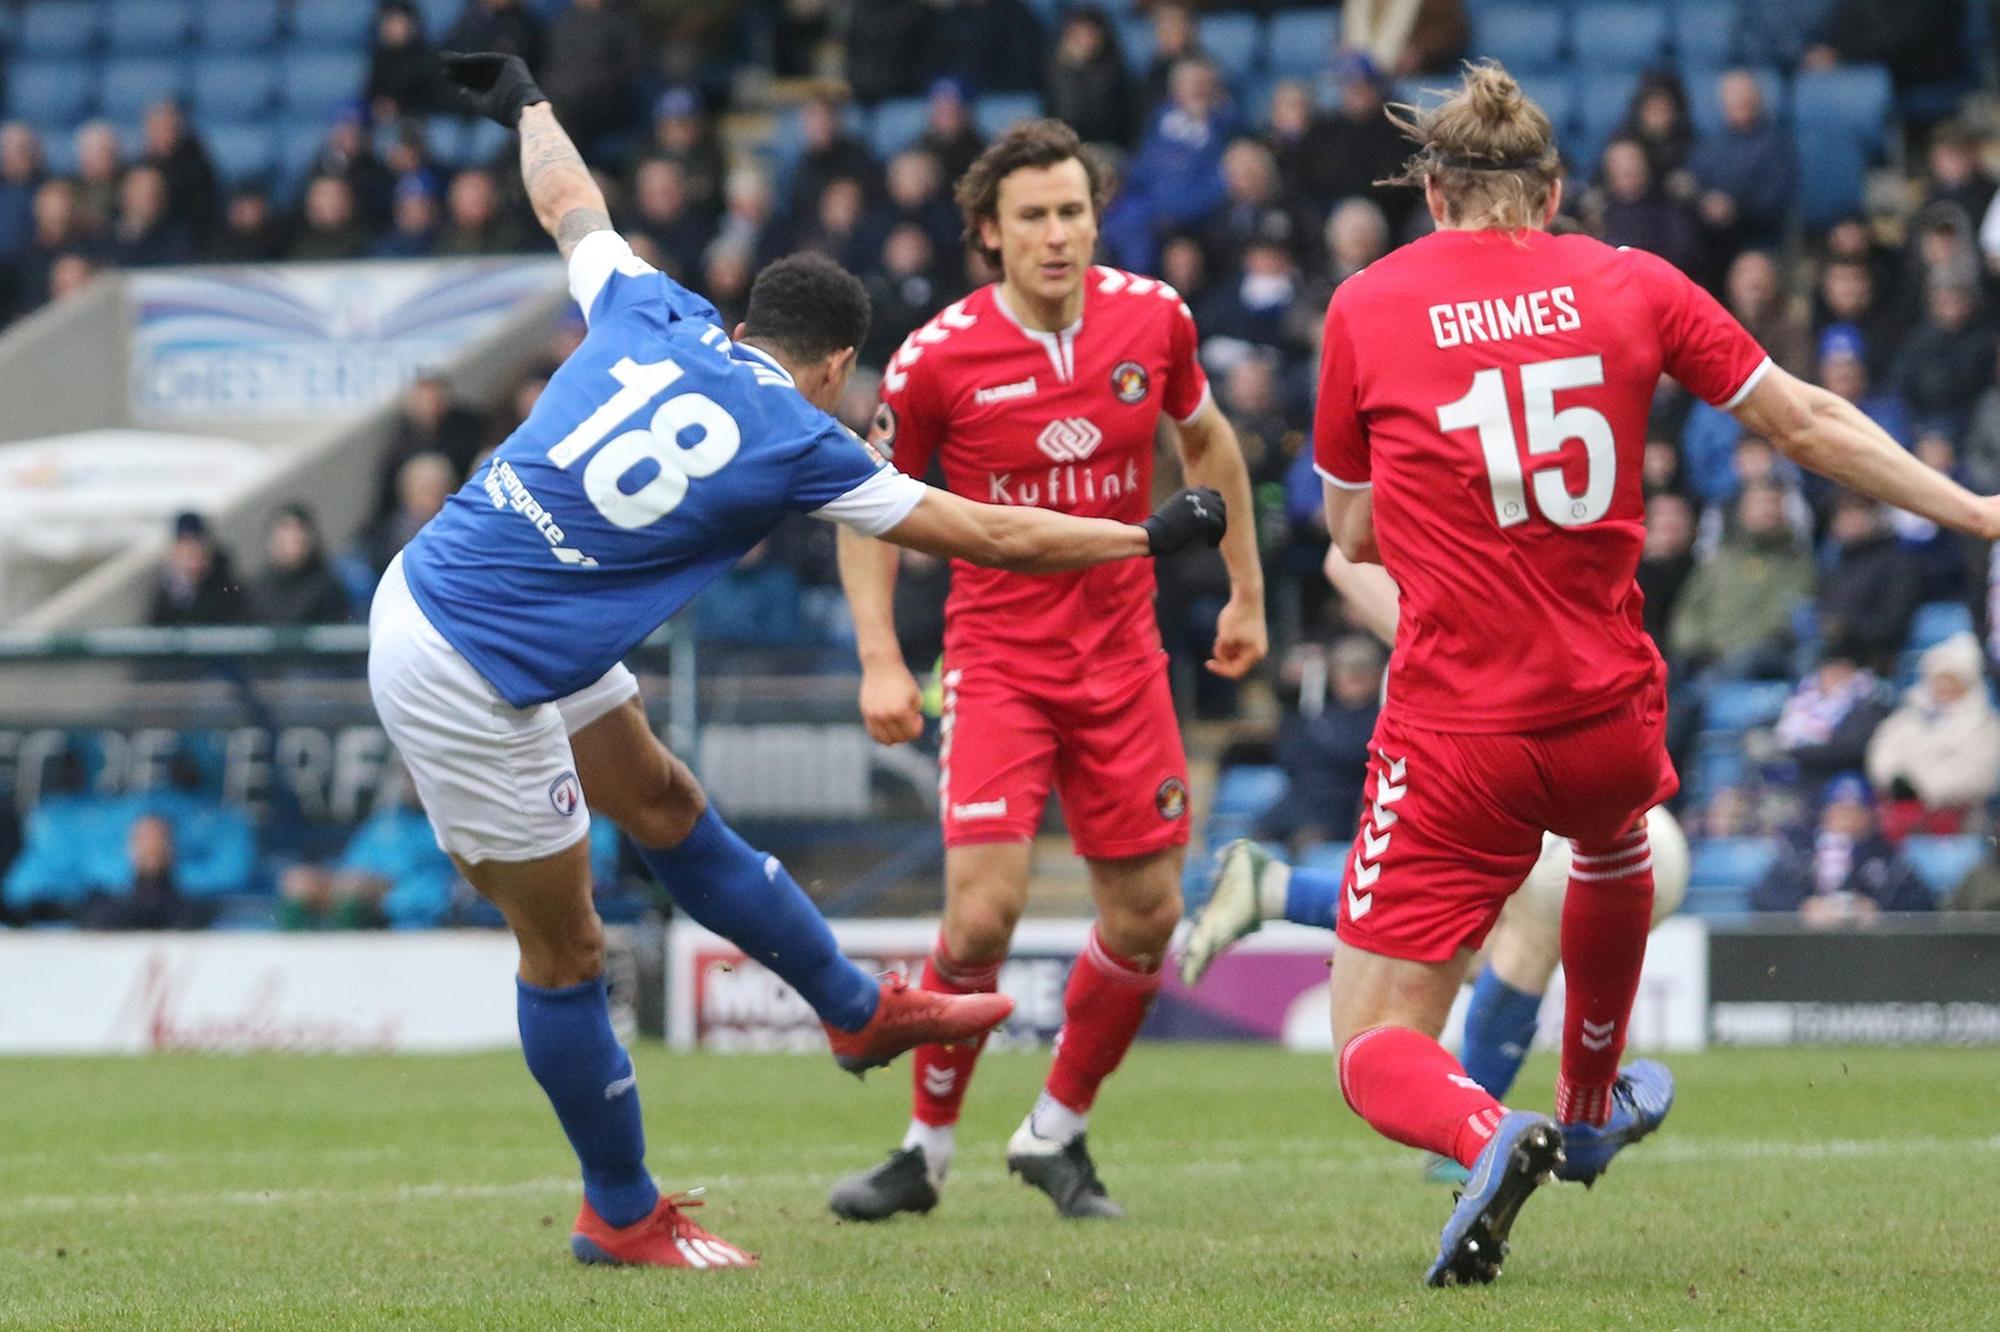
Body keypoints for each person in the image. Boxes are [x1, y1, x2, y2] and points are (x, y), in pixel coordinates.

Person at [375, 54, 1228, 1271]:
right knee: (564, 949)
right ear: (835, 371)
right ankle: (618, 1211)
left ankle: (852, 1009)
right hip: (469, 662)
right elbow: (985, 531)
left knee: (664, 800)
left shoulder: (649, 305)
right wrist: (1140, 533)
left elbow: (571, 203)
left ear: (743, 325)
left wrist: (526, 101)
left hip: (460, 585)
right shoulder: (799, 439)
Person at [1299, 62, 2000, 1287]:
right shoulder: (1629, 280)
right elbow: (1803, 422)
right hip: (1608, 707)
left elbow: (1348, 537)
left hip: (1458, 729)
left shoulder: (1367, 304)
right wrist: (1970, 511)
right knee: (1617, 837)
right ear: (1555, 191)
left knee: (1369, 1040)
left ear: (1429, 193)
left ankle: (1487, 1126)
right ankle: (1581, 1109)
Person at [827, 118, 1265, 1224]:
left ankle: (1054, 1131)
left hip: (1124, 660)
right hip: (998, 661)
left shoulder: (1152, 318)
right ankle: (924, 1151)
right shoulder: (935, 358)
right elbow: (866, 511)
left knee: (1145, 916)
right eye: (1033, 216)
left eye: (1072, 211)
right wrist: (881, 659)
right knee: (981, 917)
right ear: (989, 232)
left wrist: (1244, 592)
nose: (1058, 234)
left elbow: (1208, 446)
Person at [1180, 543, 1693, 1192]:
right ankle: (1527, 1134)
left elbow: (1346, 546)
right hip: (1468, 726)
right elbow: (1342, 554)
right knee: (1505, 940)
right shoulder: (1471, 478)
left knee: (1473, 943)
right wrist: (1470, 654)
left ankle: (1281, 890)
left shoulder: (1455, 480)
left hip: (1490, 708)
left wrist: (1468, 652)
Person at [1865, 632, 2000, 834]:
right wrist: (1898, 781)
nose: (1943, 687)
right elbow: (1882, 753)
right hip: (1902, 811)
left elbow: (1982, 775)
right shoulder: (1907, 716)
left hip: (1959, 819)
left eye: (1951, 680)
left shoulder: (1985, 724)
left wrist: (1925, 790)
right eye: (1938, 680)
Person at [1751, 776, 1934, 921]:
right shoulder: (1799, 852)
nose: (1846, 818)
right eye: (1839, 809)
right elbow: (1763, 897)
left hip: (1871, 951)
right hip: (1805, 950)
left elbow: (1923, 905)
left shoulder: (1887, 854)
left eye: (1854, 810)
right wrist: (1802, 908)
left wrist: (1878, 911)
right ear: (1825, 812)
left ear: (1869, 814)